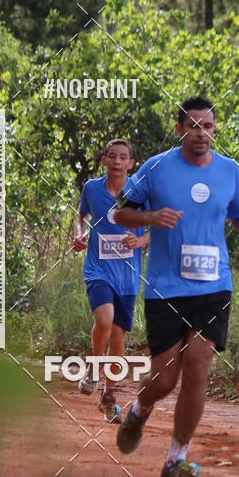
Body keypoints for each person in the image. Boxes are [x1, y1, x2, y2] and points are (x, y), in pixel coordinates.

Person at [113, 96, 239, 477]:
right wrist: (150, 217)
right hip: (166, 288)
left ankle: (175, 461)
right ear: (180, 129)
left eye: (209, 126)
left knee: (198, 364)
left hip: (214, 286)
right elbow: (118, 213)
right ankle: (139, 408)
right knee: (165, 380)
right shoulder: (157, 168)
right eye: (195, 126)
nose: (203, 133)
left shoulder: (230, 171)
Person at [73, 139, 149, 423]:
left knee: (118, 338)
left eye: (123, 158)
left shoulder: (141, 192)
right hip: (98, 269)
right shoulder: (92, 188)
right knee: (104, 320)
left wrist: (140, 239)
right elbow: (82, 214)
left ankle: (109, 398)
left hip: (127, 276)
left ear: (131, 163)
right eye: (112, 157)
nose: (117, 162)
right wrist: (80, 233)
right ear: (104, 160)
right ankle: (93, 367)